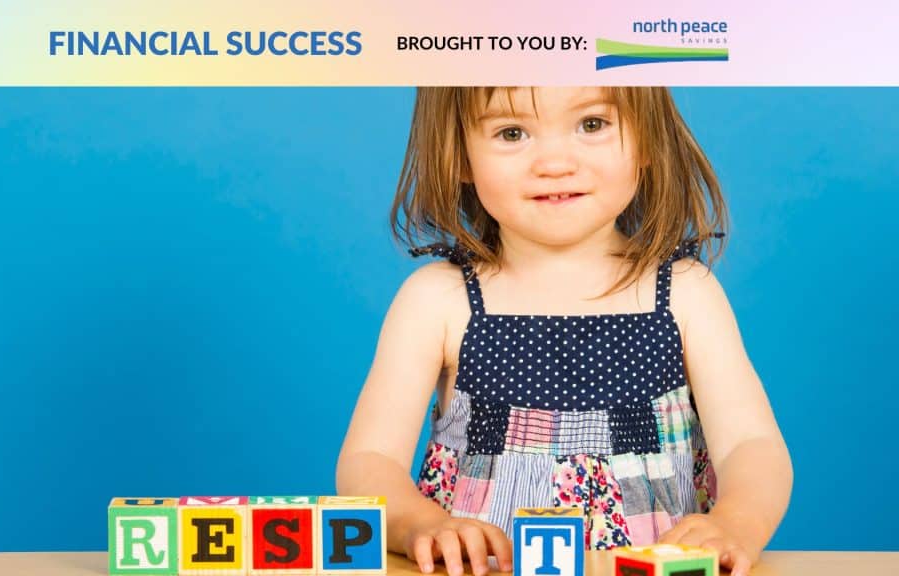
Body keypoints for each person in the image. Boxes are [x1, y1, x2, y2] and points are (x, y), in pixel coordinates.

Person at [336, 87, 791, 576]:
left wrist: (737, 522)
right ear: (458, 155)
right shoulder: (437, 300)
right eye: (512, 133)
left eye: (592, 125)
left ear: (648, 142)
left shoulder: (684, 294)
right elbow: (370, 457)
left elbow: (751, 444)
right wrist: (415, 522)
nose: (554, 163)